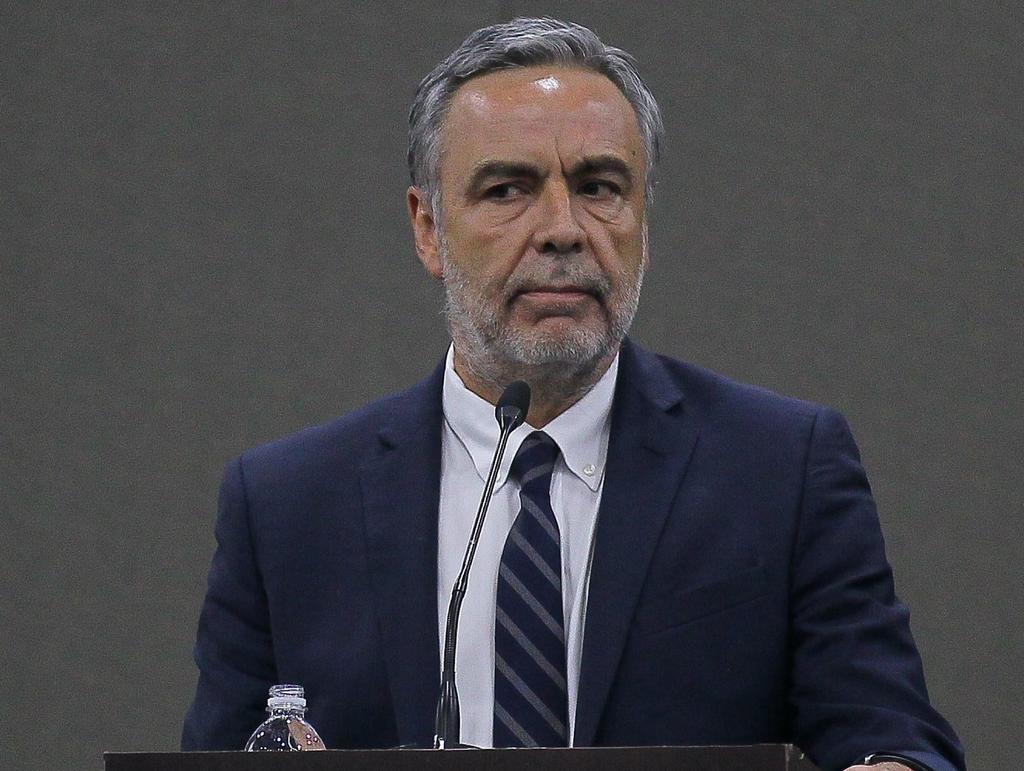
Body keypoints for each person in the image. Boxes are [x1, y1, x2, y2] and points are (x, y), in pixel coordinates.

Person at [182, 18, 964, 771]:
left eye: (598, 186)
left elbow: (895, 733)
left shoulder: (780, 470)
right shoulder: (286, 507)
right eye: (507, 190)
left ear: (642, 222)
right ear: (428, 228)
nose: (562, 228)